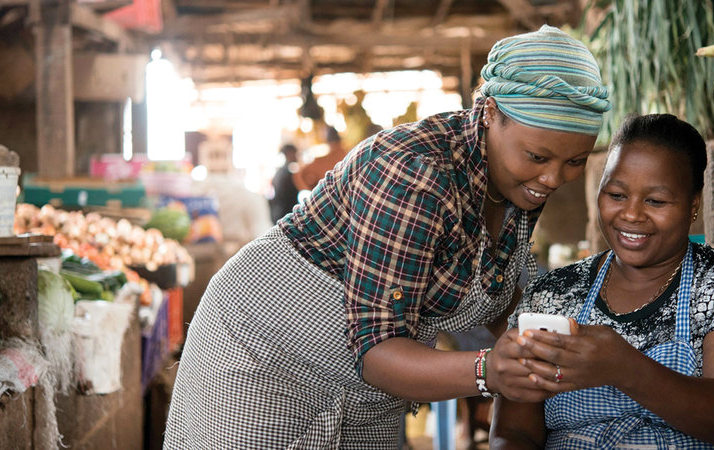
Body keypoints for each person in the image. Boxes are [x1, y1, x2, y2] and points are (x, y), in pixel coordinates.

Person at [164, 25, 611, 449]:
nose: (553, 178)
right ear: (491, 112)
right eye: (539, 156)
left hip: (366, 382)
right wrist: (488, 370)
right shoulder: (415, 174)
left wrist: (554, 337)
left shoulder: (520, 178)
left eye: (575, 162)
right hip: (265, 354)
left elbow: (492, 293)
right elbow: (378, 352)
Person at [489, 113, 714, 449]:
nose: (631, 214)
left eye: (656, 201)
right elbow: (513, 432)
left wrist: (624, 367)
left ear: (694, 205)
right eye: (617, 195)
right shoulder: (553, 295)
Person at [293, 126, 347, 192]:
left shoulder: (321, 160)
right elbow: (299, 175)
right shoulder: (347, 154)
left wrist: (312, 193)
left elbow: (298, 174)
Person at [269, 143, 301, 223]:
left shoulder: (280, 172)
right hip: (285, 215)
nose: (297, 156)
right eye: (295, 153)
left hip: (277, 213)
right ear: (289, 154)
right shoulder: (288, 173)